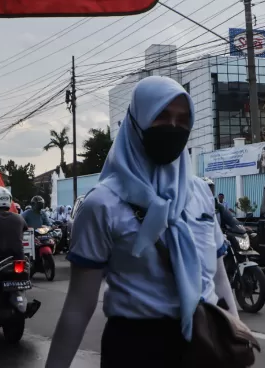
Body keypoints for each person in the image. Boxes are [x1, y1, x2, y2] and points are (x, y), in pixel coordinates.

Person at [45, 76, 238, 368]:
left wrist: (234, 338)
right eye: (161, 116)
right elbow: (78, 306)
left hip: (205, 341)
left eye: (183, 119)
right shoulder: (102, 204)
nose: (174, 127)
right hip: (136, 349)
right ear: (137, 122)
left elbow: (219, 278)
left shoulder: (199, 192)